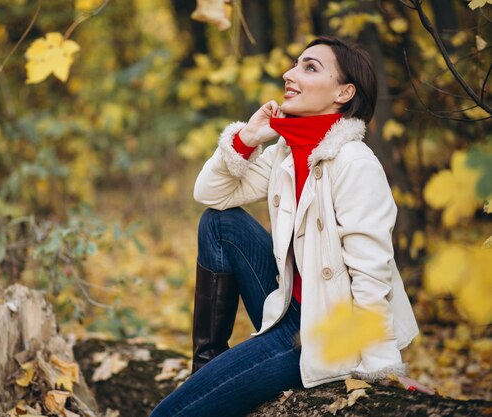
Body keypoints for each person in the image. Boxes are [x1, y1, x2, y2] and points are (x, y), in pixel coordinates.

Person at [149, 36, 420, 417]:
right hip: (287, 306)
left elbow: (371, 278)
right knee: (220, 224)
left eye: (310, 68)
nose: (289, 74)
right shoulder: (286, 151)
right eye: (295, 64)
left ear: (344, 92)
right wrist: (246, 139)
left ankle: (216, 383)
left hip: (320, 336)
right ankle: (208, 367)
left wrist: (380, 371)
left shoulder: (355, 164)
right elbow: (210, 194)